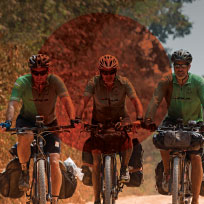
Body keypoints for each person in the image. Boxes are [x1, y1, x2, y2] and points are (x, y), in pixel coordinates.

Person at [0, 54, 75, 204]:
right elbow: (13, 103)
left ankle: (54, 199)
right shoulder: (22, 82)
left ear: (48, 71)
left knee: (54, 161)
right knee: (25, 136)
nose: (39, 76)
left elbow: (67, 101)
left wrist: (73, 119)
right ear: (31, 72)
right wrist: (8, 121)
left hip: (50, 123)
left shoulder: (55, 82)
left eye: (42, 72)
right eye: (35, 72)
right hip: (27, 120)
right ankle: (24, 172)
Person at [77, 54, 143, 204]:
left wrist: (139, 118)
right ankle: (96, 199)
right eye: (104, 72)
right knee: (96, 160)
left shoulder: (124, 83)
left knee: (127, 141)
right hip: (98, 122)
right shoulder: (93, 82)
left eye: (111, 72)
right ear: (100, 72)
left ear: (116, 71)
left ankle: (124, 168)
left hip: (120, 120)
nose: (108, 75)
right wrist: (77, 118)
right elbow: (84, 100)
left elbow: (135, 100)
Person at [145, 49, 204, 204]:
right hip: (172, 120)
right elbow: (155, 100)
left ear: (189, 67)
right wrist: (148, 119)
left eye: (183, 65)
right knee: (162, 139)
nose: (180, 68)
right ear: (173, 66)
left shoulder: (198, 82)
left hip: (195, 122)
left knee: (196, 157)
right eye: (177, 65)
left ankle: (196, 199)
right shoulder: (166, 81)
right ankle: (167, 172)